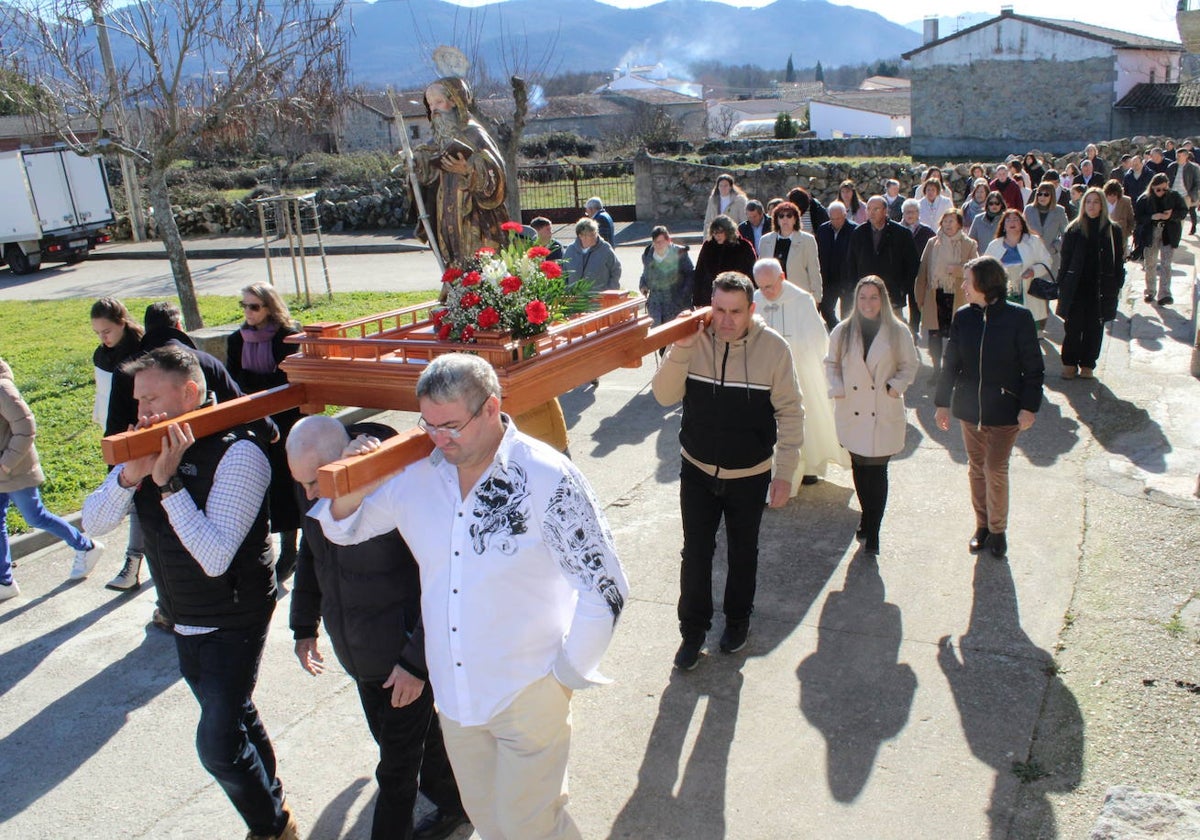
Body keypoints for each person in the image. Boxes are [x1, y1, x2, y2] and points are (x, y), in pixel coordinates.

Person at [313, 353, 629, 840]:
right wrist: (362, 478)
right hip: (456, 702)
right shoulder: (416, 477)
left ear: (490, 408)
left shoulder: (546, 477)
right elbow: (343, 529)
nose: (440, 439)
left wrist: (564, 676)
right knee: (492, 823)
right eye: (429, 424)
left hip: (529, 690)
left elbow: (604, 585)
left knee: (528, 828)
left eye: (452, 425)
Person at [81, 346, 294, 839]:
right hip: (183, 614)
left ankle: (272, 828)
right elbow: (94, 522)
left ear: (191, 394)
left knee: (218, 747)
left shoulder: (239, 450)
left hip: (233, 613)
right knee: (237, 714)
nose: (143, 413)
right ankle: (276, 803)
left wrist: (168, 485)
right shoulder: (147, 447)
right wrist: (132, 475)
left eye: (152, 399)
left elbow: (215, 556)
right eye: (138, 402)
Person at [287, 417, 468, 840]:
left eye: (314, 482)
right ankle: (457, 801)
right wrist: (303, 625)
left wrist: (416, 663)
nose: (309, 494)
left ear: (345, 458)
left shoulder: (399, 486)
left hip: (401, 658)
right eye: (301, 484)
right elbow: (312, 556)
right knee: (406, 742)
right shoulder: (317, 481)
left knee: (396, 770)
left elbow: (442, 579)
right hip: (363, 656)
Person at [652, 271, 803, 670]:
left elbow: (791, 411)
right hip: (697, 469)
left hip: (749, 473)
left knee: (743, 552)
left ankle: (737, 622)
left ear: (752, 310)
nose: (726, 320)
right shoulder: (693, 340)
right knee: (696, 553)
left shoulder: (774, 349)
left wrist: (785, 472)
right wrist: (681, 348)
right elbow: (664, 395)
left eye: (736, 311)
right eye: (718, 309)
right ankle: (692, 632)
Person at [934, 256, 1044, 559]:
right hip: (970, 411)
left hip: (1005, 411)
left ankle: (998, 530)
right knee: (976, 470)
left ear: (985, 283)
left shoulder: (1018, 318)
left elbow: (1033, 368)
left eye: (968, 281)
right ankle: (981, 526)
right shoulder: (963, 316)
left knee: (995, 468)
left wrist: (1029, 407)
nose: (964, 286)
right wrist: (942, 402)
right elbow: (951, 363)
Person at [824, 276, 919, 556]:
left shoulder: (897, 331)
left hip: (882, 409)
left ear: (883, 300)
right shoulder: (842, 331)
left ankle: (874, 528)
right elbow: (830, 363)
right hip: (852, 408)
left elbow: (909, 365)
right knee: (859, 468)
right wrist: (838, 389)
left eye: (874, 297)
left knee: (877, 471)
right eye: (863, 297)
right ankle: (867, 516)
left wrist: (894, 387)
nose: (868, 303)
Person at [1, 357, 104, 600]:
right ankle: (5, 581)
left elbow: (26, 427)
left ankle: (86, 547)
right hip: (4, 470)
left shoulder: (2, 389)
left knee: (35, 516)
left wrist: (5, 464)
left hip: (16, 470)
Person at [226, 283, 303, 582]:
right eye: (244, 305)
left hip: (285, 420)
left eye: (254, 306)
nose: (248, 312)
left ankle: (290, 549)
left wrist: (254, 384)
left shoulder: (287, 336)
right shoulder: (236, 340)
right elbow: (234, 380)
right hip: (253, 421)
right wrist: (258, 385)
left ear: (270, 307)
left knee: (285, 482)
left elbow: (284, 379)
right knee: (259, 482)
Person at [753, 258, 847, 491]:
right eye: (761, 287)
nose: (766, 292)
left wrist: (795, 352)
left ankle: (808, 467)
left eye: (770, 286)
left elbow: (816, 339)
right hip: (765, 376)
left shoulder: (802, 300)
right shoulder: (755, 300)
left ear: (782, 277)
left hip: (799, 371)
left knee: (806, 416)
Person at [412, 77, 508, 267]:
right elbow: (427, 177)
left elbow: (495, 170)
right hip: (446, 209)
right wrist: (418, 164)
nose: (434, 110)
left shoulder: (474, 133)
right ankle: (455, 284)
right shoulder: (438, 141)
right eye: (430, 105)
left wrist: (468, 169)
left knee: (477, 257)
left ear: (455, 101)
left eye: (438, 102)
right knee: (452, 253)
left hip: (474, 214)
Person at [91, 297, 146, 591]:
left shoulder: (140, 352)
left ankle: (133, 563)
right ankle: (135, 564)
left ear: (122, 323)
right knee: (137, 501)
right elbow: (103, 395)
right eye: (98, 333)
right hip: (115, 434)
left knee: (140, 501)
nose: (103, 338)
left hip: (140, 433)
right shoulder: (101, 356)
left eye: (107, 331)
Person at [1056, 187, 1125, 380]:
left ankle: (1088, 364)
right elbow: (1066, 260)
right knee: (1073, 327)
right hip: (1077, 286)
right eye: (1088, 201)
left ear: (1102, 205)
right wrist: (1062, 284)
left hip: (1101, 287)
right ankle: (1069, 362)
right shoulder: (1074, 229)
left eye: (1095, 202)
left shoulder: (1113, 230)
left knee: (1095, 328)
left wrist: (1118, 283)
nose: (1091, 206)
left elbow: (1118, 260)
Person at [914, 208, 978, 377]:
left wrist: (957, 270)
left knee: (956, 337)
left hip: (958, 296)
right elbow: (923, 270)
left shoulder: (969, 244)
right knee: (934, 336)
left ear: (959, 224)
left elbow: (975, 270)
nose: (948, 224)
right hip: (935, 294)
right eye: (945, 221)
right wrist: (919, 297)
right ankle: (936, 370)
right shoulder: (932, 242)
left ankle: (953, 370)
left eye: (952, 221)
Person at [843, 196, 919, 322]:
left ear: (885, 211)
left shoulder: (901, 234)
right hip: (866, 294)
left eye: (876, 209)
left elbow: (912, 265)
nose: (871, 213)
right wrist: (855, 288)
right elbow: (851, 263)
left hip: (892, 294)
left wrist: (902, 289)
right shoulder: (859, 233)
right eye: (869, 209)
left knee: (893, 334)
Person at [983, 209, 1055, 332]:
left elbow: (1047, 261)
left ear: (1022, 224)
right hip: (1004, 294)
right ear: (1003, 226)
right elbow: (985, 268)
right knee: (1005, 331)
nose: (1012, 222)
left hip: (1028, 292)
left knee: (1027, 331)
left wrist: (1033, 271)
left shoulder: (1033, 241)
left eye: (1016, 219)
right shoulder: (994, 245)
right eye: (1008, 220)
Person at [1134, 172, 1187, 306]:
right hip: (1151, 232)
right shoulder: (1144, 199)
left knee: (1166, 264)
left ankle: (1165, 293)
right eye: (1158, 189)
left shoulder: (1174, 196)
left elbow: (1183, 211)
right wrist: (1152, 217)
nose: (1161, 192)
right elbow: (1138, 217)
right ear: (1152, 187)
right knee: (1150, 263)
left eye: (1164, 189)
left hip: (1168, 232)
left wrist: (1171, 215)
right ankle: (1150, 291)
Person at [758, 200, 822, 304]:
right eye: (781, 216)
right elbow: (761, 271)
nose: (785, 219)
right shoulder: (765, 240)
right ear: (776, 220)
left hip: (798, 297)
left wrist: (816, 298)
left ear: (795, 219)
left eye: (789, 216)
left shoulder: (808, 240)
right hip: (772, 298)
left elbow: (814, 271)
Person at [692, 214, 758, 307]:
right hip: (710, 298)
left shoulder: (743, 246)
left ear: (728, 231)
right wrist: (697, 301)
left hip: (736, 297)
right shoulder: (708, 246)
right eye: (714, 232)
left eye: (720, 232)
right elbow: (699, 273)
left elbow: (752, 273)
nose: (717, 235)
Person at [639, 225, 695, 329]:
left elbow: (690, 274)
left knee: (676, 339)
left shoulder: (679, 253)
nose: (658, 245)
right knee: (658, 340)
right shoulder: (648, 255)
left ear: (668, 240)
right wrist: (643, 285)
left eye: (660, 242)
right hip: (656, 309)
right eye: (655, 242)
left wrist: (684, 295)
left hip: (676, 306)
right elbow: (645, 274)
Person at [816, 200, 857, 328]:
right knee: (826, 310)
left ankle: (846, 335)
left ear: (845, 215)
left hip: (848, 278)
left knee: (848, 313)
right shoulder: (823, 229)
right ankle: (836, 330)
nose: (835, 221)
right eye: (832, 218)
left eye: (838, 218)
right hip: (828, 279)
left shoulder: (855, 230)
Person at [900, 198, 936, 337]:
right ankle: (902, 330)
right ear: (903, 213)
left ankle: (913, 330)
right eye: (907, 212)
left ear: (918, 213)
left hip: (920, 272)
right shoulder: (897, 230)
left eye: (913, 212)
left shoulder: (926, 231)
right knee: (898, 303)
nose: (910, 215)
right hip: (901, 272)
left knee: (915, 303)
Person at [563, 217, 621, 291]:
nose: (595, 237)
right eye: (591, 235)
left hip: (600, 298)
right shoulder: (570, 250)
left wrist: (611, 290)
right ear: (581, 236)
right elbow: (563, 273)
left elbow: (616, 269)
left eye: (595, 233)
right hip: (575, 299)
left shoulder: (605, 248)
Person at [1024, 183, 1069, 275]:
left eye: (1046, 194)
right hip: (1031, 257)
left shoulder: (1059, 211)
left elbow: (1066, 234)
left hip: (1050, 256)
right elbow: (1022, 231)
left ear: (1052, 196)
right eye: (1039, 194)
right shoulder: (1028, 210)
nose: (1042, 197)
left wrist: (1056, 247)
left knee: (1049, 287)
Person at [1166, 146, 1200, 236]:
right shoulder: (1172, 166)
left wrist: (1191, 194)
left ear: (1186, 156)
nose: (1177, 158)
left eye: (1180, 156)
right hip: (1172, 195)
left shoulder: (1193, 167)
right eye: (1177, 156)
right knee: (1170, 214)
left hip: (1185, 195)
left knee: (1181, 216)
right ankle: (1171, 233)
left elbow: (1197, 182)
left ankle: (1177, 234)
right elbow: (1167, 180)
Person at [1103, 180, 1135, 255]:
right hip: (1104, 237)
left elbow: (1131, 220)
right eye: (1109, 195)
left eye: (1114, 195)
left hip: (1121, 238)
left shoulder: (1126, 201)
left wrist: (1127, 233)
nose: (1112, 197)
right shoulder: (1101, 201)